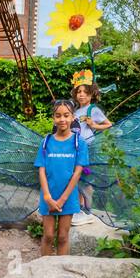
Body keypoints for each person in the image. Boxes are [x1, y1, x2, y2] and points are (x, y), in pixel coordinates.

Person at [35, 99, 90, 256]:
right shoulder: (46, 142)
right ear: (53, 118)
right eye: (58, 116)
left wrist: (62, 200)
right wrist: (47, 197)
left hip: (69, 197)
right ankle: (45, 270)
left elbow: (78, 172)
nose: (62, 119)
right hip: (48, 196)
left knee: (63, 237)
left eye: (66, 115)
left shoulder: (79, 143)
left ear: (73, 117)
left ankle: (61, 272)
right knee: (48, 235)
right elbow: (41, 170)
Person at [72, 79, 112, 212]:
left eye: (85, 92)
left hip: (88, 147)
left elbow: (109, 124)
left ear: (91, 94)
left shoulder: (92, 109)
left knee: (87, 176)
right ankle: (79, 205)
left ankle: (87, 206)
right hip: (75, 148)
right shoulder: (75, 111)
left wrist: (94, 125)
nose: (81, 95)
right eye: (79, 92)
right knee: (76, 176)